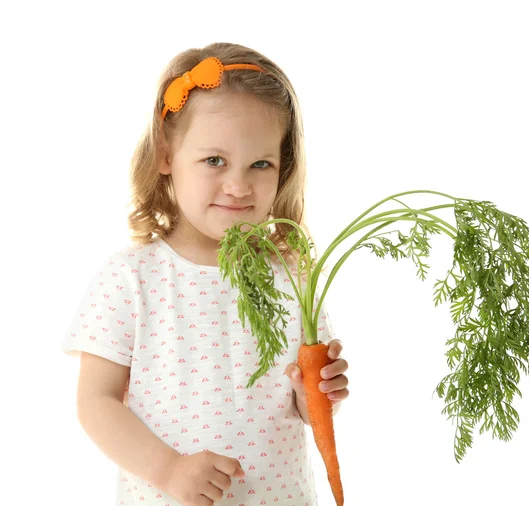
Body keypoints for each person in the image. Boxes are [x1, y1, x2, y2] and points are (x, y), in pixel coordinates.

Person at [60, 42, 350, 506]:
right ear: (166, 156)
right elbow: (95, 403)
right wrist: (168, 470)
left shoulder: (293, 276)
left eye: (260, 164)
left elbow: (307, 410)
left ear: (283, 168)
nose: (238, 186)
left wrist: (315, 390)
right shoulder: (131, 279)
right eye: (215, 161)